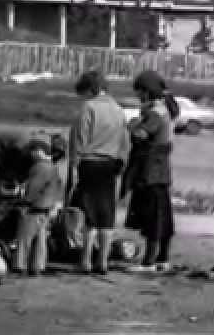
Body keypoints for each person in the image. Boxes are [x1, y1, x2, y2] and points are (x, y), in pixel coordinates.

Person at [67, 70, 130, 275]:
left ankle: (85, 260)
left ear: (90, 89)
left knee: (89, 215)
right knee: (106, 214)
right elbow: (125, 142)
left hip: (89, 163)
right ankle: (102, 260)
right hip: (110, 164)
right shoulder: (119, 110)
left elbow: (80, 138)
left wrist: (74, 164)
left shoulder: (89, 107)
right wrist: (120, 163)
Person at [123, 70, 179, 274]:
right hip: (162, 171)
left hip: (150, 171)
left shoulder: (155, 112)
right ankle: (162, 259)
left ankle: (148, 262)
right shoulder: (166, 109)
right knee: (163, 216)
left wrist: (130, 124)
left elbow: (141, 134)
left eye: (139, 91)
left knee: (152, 217)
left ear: (146, 91)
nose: (138, 95)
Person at [14, 138, 63, 277]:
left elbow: (33, 188)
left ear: (39, 151)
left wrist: (24, 202)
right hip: (46, 208)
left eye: (32, 151)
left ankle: (20, 265)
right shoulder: (52, 167)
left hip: (34, 208)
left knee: (24, 238)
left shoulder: (40, 167)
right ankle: (37, 266)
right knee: (40, 240)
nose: (30, 154)